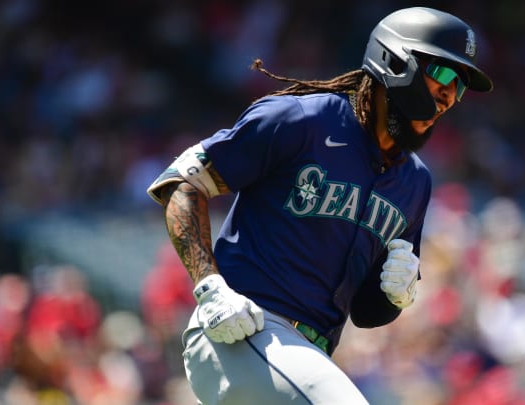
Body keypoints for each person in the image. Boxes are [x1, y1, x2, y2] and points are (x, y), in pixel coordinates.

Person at [147, 6, 493, 404]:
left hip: (307, 357)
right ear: (396, 60)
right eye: (444, 73)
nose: (450, 94)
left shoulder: (415, 182)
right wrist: (209, 286)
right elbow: (182, 182)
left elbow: (366, 312)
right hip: (241, 330)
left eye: (461, 86)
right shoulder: (303, 120)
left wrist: (395, 295)